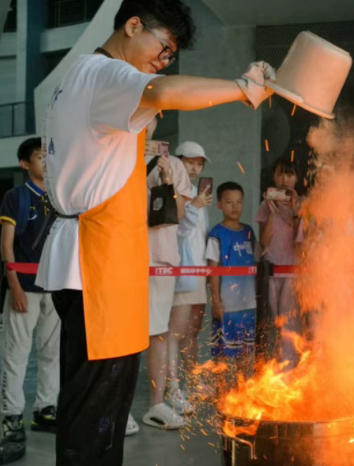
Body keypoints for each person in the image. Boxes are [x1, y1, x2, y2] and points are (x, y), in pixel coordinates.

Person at [34, 1, 274, 463]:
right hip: (94, 264)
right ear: (132, 25)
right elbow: (165, 91)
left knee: (101, 408)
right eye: (162, 48)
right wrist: (242, 89)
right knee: (95, 415)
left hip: (100, 262)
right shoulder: (105, 74)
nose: (161, 62)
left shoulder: (87, 76)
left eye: (169, 55)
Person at [0, 137, 59, 443]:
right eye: (39, 156)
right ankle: (11, 416)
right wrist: (15, 287)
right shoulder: (16, 196)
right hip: (25, 287)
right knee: (16, 354)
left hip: (55, 288)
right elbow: (7, 245)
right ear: (25, 164)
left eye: (48, 155)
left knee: (51, 354)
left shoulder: (62, 197)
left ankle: (46, 409)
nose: (46, 161)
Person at [142, 119, 195, 430]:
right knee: (120, 334)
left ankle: (156, 403)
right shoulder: (115, 155)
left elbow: (180, 213)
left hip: (160, 257)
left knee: (158, 331)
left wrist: (164, 178)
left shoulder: (172, 162)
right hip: (120, 257)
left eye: (151, 114)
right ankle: (113, 408)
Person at [167, 140, 212, 417]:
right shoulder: (175, 190)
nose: (194, 168)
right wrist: (193, 205)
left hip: (199, 271)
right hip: (180, 271)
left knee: (192, 332)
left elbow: (199, 234)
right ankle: (172, 388)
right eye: (190, 162)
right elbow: (179, 229)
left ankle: (191, 381)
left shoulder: (198, 193)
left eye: (199, 164)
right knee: (175, 331)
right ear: (178, 161)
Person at [206, 182, 257, 387]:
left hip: (249, 304)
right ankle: (221, 390)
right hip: (227, 305)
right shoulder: (217, 234)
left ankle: (242, 390)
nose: (234, 207)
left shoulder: (249, 232)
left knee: (246, 350)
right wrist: (216, 301)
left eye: (238, 202)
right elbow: (213, 269)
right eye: (229, 202)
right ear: (219, 204)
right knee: (223, 351)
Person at [255, 157, 302, 364]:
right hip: (271, 270)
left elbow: (302, 242)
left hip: (293, 270)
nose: (285, 179)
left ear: (297, 178)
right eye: (280, 174)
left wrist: (295, 211)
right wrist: (273, 213)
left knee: (290, 321)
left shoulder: (302, 205)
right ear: (273, 176)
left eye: (290, 174)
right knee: (271, 321)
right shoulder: (265, 205)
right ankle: (272, 367)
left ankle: (291, 367)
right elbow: (263, 243)